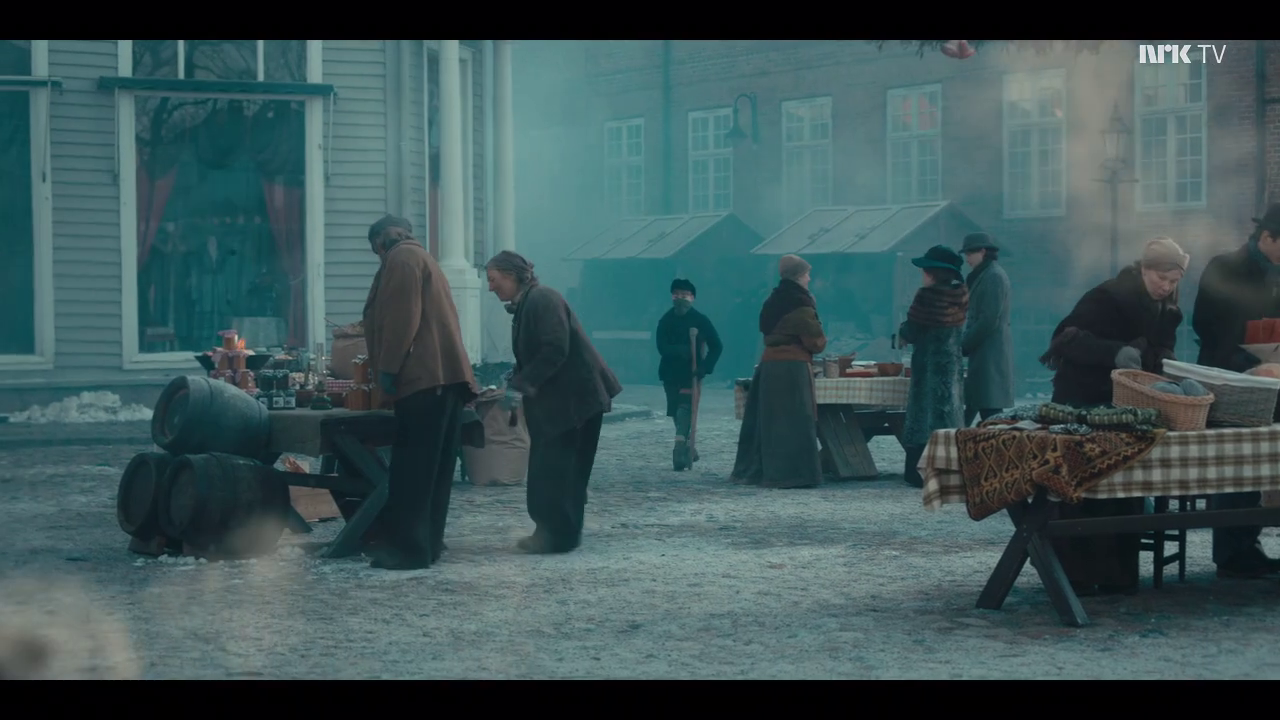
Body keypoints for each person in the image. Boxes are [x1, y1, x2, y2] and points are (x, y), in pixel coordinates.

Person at [1038, 236, 1189, 595]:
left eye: (1173, 281)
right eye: (1161, 279)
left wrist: (1166, 364)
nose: (1166, 287)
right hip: (1082, 399)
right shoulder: (1107, 297)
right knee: (1085, 482)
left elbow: (1163, 348)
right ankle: (1076, 575)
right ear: (1144, 270)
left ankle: (1116, 574)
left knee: (1124, 482)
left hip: (1127, 406)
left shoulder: (1168, 309)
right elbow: (1066, 339)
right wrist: (1114, 353)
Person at [484, 250, 622, 554]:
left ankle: (556, 536)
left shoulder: (543, 299)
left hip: (575, 401)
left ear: (511, 275)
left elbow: (555, 348)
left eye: (493, 280)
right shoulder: (528, 304)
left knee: (560, 470)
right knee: (554, 469)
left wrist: (521, 384)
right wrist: (518, 377)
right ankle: (554, 533)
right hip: (564, 402)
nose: (490, 287)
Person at [362, 214, 478, 571]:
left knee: (412, 471)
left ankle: (408, 551)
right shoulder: (422, 258)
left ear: (380, 242)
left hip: (424, 379)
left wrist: (387, 370)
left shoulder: (402, 259)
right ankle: (427, 544)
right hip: (444, 380)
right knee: (434, 471)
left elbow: (401, 319)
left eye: (376, 248)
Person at [1192, 204, 1280, 579]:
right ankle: (1232, 553)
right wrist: (1246, 357)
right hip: (1231, 377)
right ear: (1267, 237)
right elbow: (1205, 324)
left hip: (1272, 376)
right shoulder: (1224, 267)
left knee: (1262, 461)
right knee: (1234, 462)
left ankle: (1248, 544)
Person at [730, 254, 827, 489]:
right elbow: (815, 342)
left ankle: (767, 471)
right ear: (797, 276)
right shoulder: (800, 304)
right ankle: (793, 474)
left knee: (771, 423)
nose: (809, 278)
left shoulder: (772, 301)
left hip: (769, 366)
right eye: (806, 274)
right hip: (793, 368)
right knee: (795, 422)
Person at [897, 245, 969, 488]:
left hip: (928, 364)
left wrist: (902, 332)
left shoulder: (927, 297)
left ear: (934, 273)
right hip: (951, 364)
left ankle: (918, 472)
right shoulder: (960, 295)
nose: (923, 274)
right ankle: (949, 472)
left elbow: (912, 329)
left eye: (925, 270)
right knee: (948, 415)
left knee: (923, 417)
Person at [655, 278, 723, 471]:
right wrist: (680, 350)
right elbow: (662, 347)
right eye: (677, 294)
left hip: (691, 374)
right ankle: (687, 446)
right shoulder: (666, 320)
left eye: (684, 295)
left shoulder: (700, 320)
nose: (680, 299)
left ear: (692, 298)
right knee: (675, 411)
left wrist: (705, 367)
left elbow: (716, 346)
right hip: (669, 373)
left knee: (685, 408)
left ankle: (679, 450)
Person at [959, 233, 1014, 426]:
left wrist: (964, 345)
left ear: (982, 252)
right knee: (980, 404)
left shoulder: (993, 277)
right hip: (983, 352)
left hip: (989, 352)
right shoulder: (985, 274)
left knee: (990, 409)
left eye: (969, 254)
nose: (967, 259)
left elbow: (988, 319)